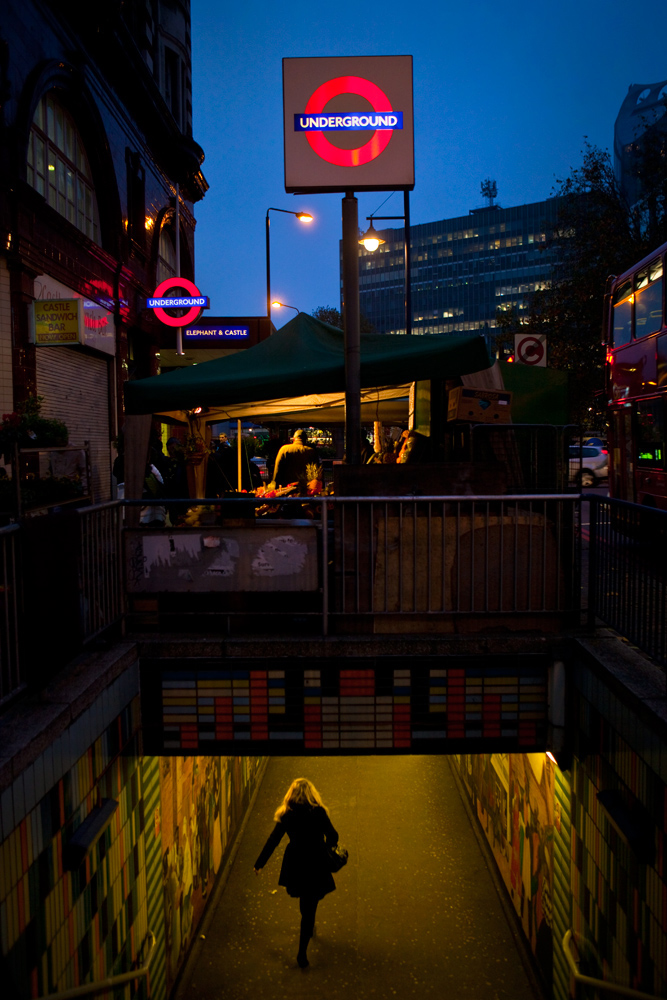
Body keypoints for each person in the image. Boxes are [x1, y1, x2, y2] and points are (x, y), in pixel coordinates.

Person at [254, 777, 339, 969]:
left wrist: (259, 864)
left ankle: (307, 927)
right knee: (311, 902)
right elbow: (333, 836)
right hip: (316, 861)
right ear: (311, 794)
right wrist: (326, 847)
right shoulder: (319, 813)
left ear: (291, 795)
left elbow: (273, 840)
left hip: (296, 863)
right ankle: (302, 951)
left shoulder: (287, 815)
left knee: (305, 904)